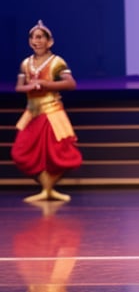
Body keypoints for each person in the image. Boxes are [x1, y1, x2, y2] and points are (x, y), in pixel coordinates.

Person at [11, 20, 83, 203]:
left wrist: (46, 84)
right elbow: (18, 87)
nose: (37, 41)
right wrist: (30, 87)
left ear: (49, 41)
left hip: (52, 112)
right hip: (32, 112)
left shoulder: (56, 62)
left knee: (56, 152)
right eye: (33, 38)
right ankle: (46, 189)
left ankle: (48, 189)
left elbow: (70, 83)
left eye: (40, 37)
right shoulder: (26, 63)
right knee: (22, 150)